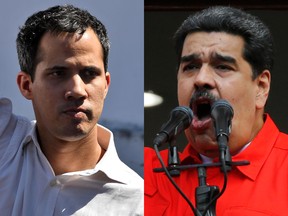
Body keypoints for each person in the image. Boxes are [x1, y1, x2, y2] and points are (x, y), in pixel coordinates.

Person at [0, 4, 143, 216]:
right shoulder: (5, 144)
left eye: (89, 73)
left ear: (106, 84)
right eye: (58, 73)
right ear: (26, 85)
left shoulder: (136, 203)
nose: (77, 90)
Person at [145, 6, 288, 216]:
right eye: (190, 67)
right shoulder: (144, 171)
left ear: (261, 87)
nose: (201, 79)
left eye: (222, 66)